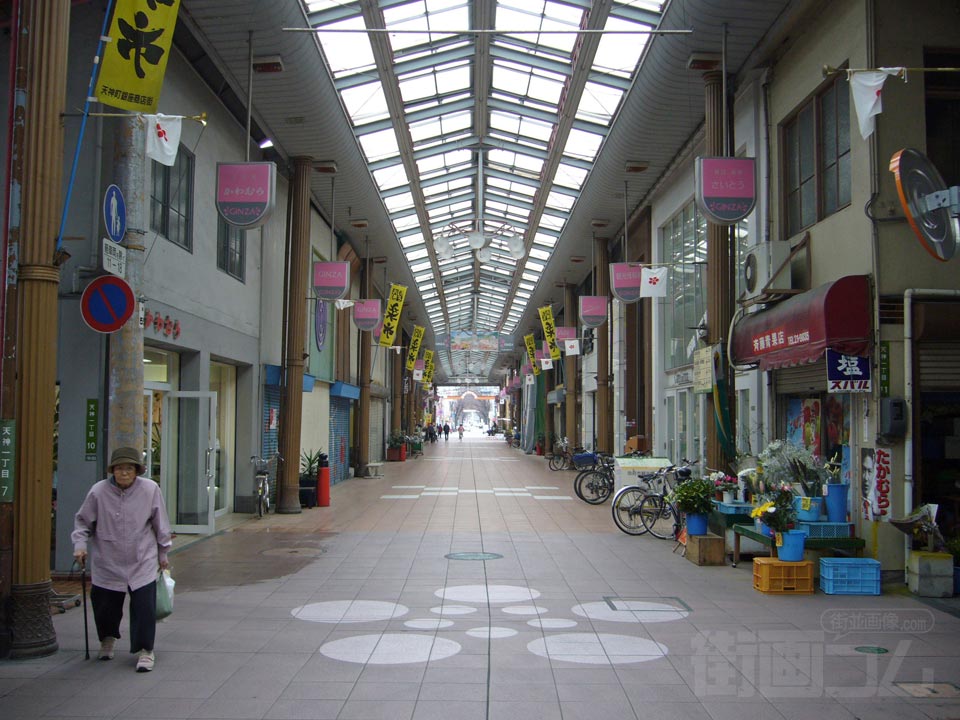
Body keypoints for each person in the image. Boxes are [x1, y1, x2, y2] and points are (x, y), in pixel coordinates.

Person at [72, 447, 172, 673]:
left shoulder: (150, 489)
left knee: (144, 607)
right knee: (105, 605)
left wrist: (163, 553)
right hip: (108, 559)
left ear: (137, 470)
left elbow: (161, 523)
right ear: (112, 471)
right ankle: (107, 638)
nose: (124, 473)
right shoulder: (98, 492)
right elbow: (82, 522)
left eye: (129, 468)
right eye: (119, 468)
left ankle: (145, 650)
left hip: (142, 558)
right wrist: (79, 546)